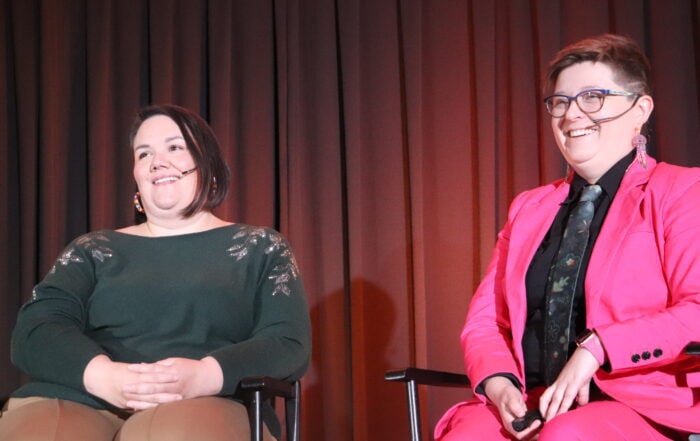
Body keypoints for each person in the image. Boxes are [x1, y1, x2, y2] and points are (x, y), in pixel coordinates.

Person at [434, 34, 700, 440]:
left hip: (638, 403)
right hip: (536, 399)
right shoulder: (529, 208)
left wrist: (598, 348)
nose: (572, 114)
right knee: (468, 433)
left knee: (569, 435)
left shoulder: (682, 191)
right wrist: (498, 382)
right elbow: (486, 321)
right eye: (561, 102)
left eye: (592, 97)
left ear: (639, 109)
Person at [0, 104, 311, 441]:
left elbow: (287, 342)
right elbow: (35, 330)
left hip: (209, 399)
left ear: (209, 166)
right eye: (143, 154)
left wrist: (203, 375)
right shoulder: (92, 249)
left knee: (169, 433)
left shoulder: (260, 246)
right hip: (80, 396)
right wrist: (105, 377)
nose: (156, 161)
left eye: (175, 147)